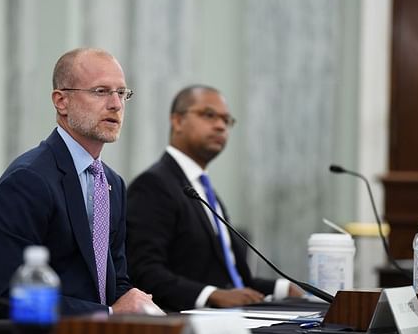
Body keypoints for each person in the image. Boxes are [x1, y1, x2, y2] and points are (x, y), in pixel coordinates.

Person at [0, 48, 162, 318]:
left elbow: (115, 281)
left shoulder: (111, 183)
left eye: (121, 93)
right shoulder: (28, 181)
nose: (116, 105)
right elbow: (12, 298)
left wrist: (137, 305)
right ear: (61, 101)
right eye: (100, 91)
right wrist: (109, 313)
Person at [126, 85, 300, 312]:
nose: (220, 125)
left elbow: (235, 281)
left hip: (234, 316)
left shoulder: (202, 188)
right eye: (209, 115)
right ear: (177, 121)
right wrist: (211, 295)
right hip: (183, 324)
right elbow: (145, 272)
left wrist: (282, 288)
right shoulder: (153, 185)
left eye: (226, 120)